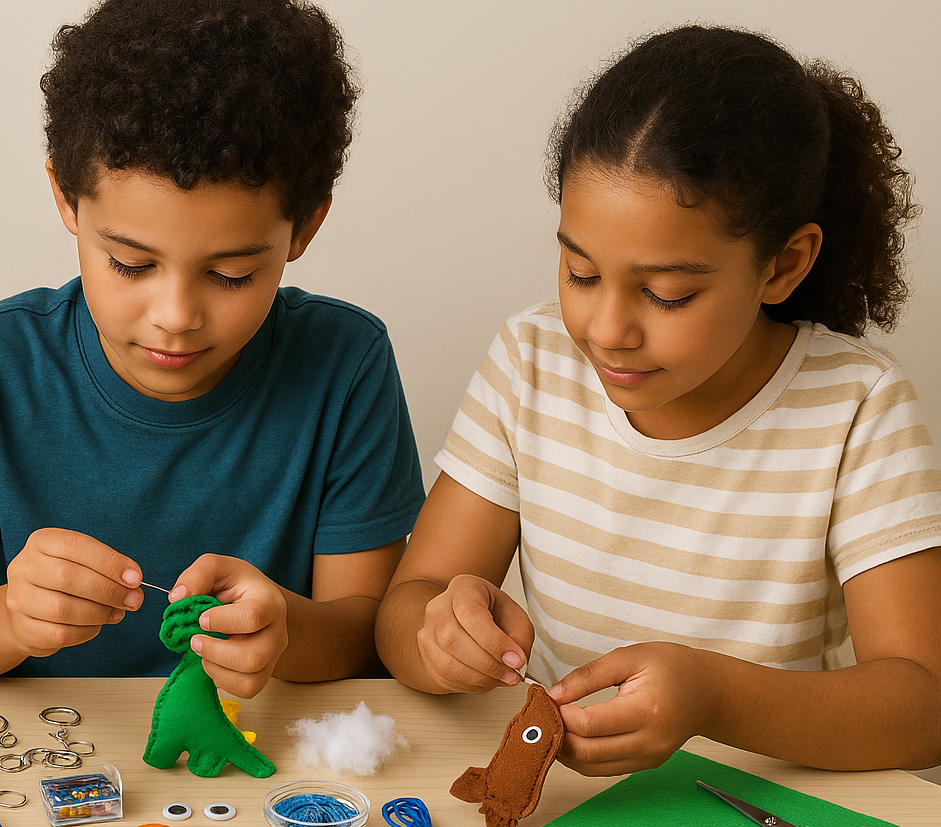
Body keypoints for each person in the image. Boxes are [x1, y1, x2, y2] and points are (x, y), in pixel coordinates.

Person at [377, 25, 941, 774]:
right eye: (580, 273)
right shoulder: (531, 362)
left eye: (666, 293)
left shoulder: (857, 407)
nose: (607, 330)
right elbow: (406, 604)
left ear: (783, 265)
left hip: (773, 811)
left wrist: (715, 699)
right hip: (567, 804)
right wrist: (439, 637)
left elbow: (922, 706)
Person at [0, 0, 423, 693]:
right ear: (67, 200)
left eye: (231, 274)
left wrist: (285, 627)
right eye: (131, 265)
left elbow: (368, 634)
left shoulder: (346, 364)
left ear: (304, 228)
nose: (175, 317)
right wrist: (8, 620)